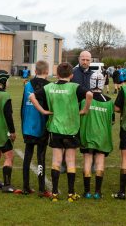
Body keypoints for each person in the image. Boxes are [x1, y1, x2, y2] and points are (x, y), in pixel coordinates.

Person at [29, 62, 93, 202]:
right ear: (71, 75)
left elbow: (31, 97)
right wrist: (85, 110)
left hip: (56, 128)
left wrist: (43, 111)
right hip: (71, 128)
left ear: (57, 74)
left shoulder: (49, 87)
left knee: (56, 161)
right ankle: (71, 194)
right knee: (70, 161)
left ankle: (55, 194)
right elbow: (89, 94)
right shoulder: (75, 87)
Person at [80, 72, 114, 199]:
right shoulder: (109, 101)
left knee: (87, 160)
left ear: (91, 83)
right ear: (103, 83)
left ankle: (87, 191)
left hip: (87, 135)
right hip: (102, 137)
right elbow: (112, 120)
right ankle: (98, 192)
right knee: (100, 161)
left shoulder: (85, 100)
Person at [21, 60, 52, 198]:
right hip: (41, 127)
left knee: (27, 156)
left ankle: (26, 186)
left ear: (35, 72)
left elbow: (23, 107)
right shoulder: (50, 86)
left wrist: (23, 124)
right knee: (41, 157)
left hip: (28, 126)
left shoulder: (27, 85)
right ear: (47, 71)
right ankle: (41, 188)